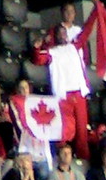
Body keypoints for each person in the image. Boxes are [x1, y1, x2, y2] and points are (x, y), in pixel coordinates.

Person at [32, 20, 92, 160]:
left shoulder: (75, 47)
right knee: (63, 132)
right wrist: (38, 46)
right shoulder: (51, 52)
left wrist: (97, 10)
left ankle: (84, 161)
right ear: (54, 36)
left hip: (79, 93)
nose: (63, 36)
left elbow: (86, 31)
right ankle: (61, 160)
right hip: (63, 96)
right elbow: (38, 59)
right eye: (59, 34)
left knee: (82, 133)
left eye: (64, 33)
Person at [10, 79, 52, 180]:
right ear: (18, 91)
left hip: (40, 148)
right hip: (26, 143)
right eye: (21, 88)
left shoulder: (36, 103)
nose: (24, 90)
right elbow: (18, 124)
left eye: (26, 87)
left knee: (45, 174)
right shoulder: (15, 102)